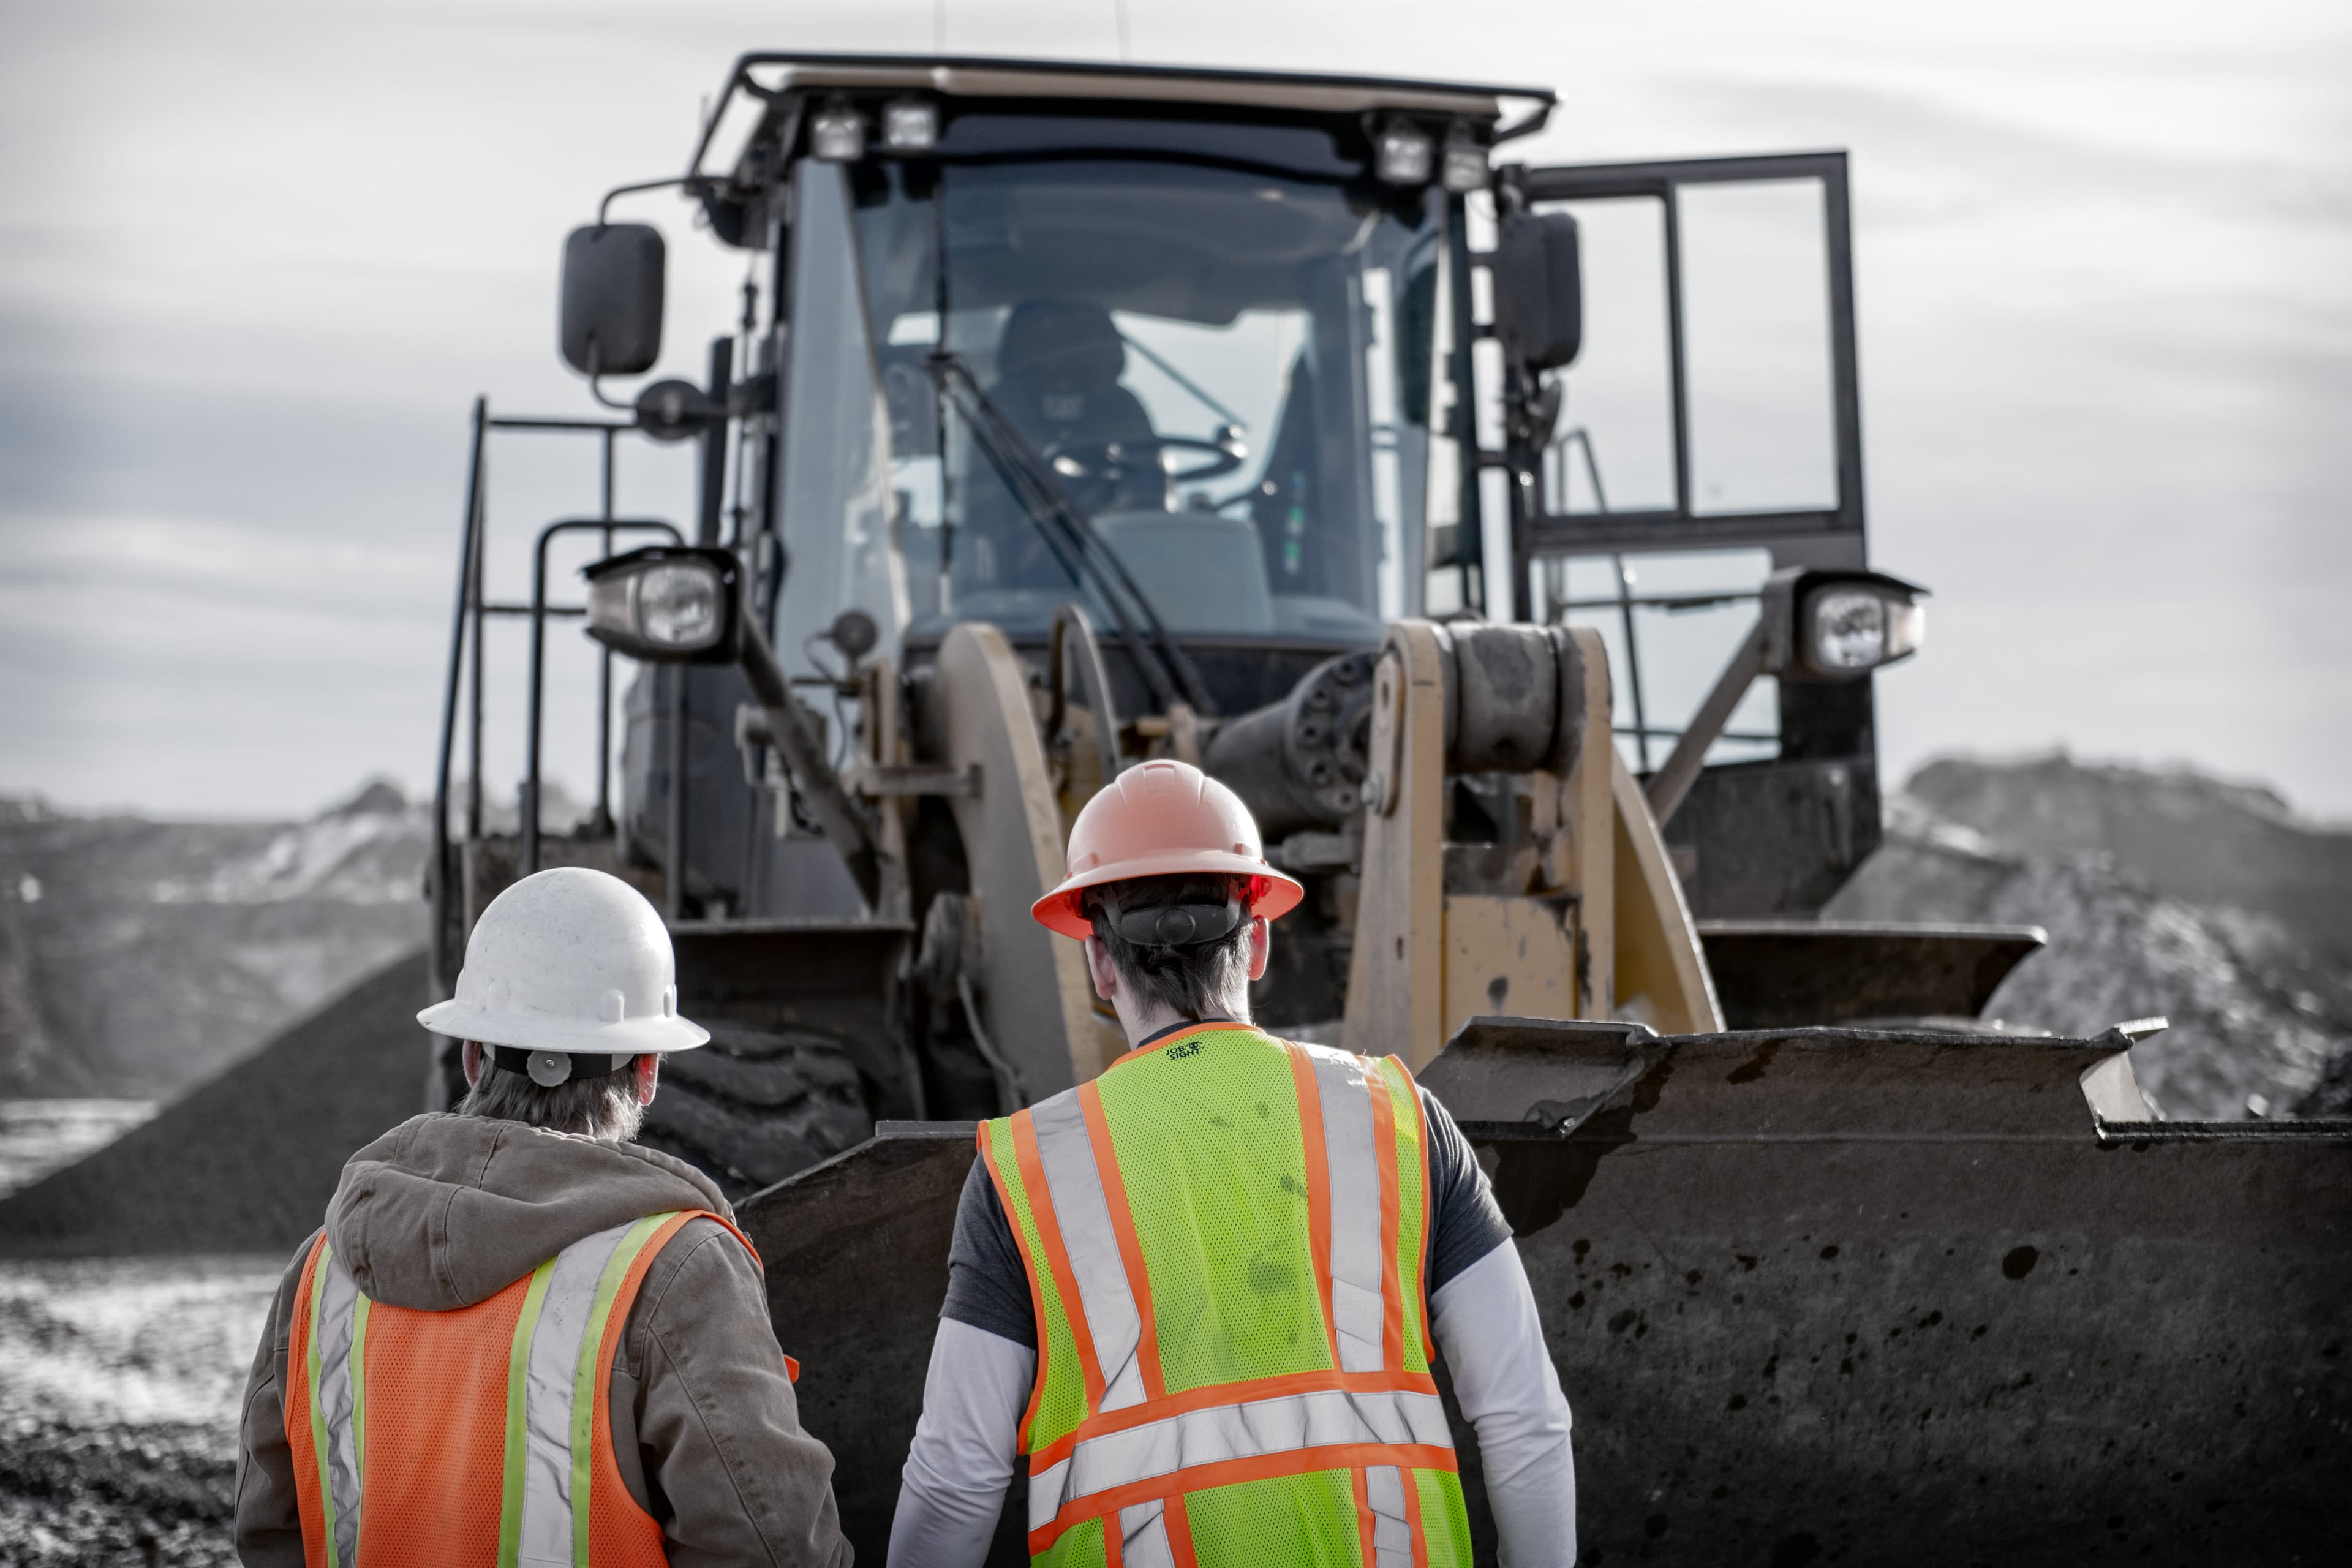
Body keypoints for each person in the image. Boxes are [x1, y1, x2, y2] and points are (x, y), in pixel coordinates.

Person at [889, 760, 1577, 1566]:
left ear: (1101, 965)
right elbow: (1526, 1421)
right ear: (1258, 942)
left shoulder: (1027, 1172)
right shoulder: (1401, 1121)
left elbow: (953, 1482)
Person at [232, 867, 852, 1567]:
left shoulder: (322, 1271)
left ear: (472, 1056)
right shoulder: (677, 1274)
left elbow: (268, 1534)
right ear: (648, 1070)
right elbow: (772, 1549)